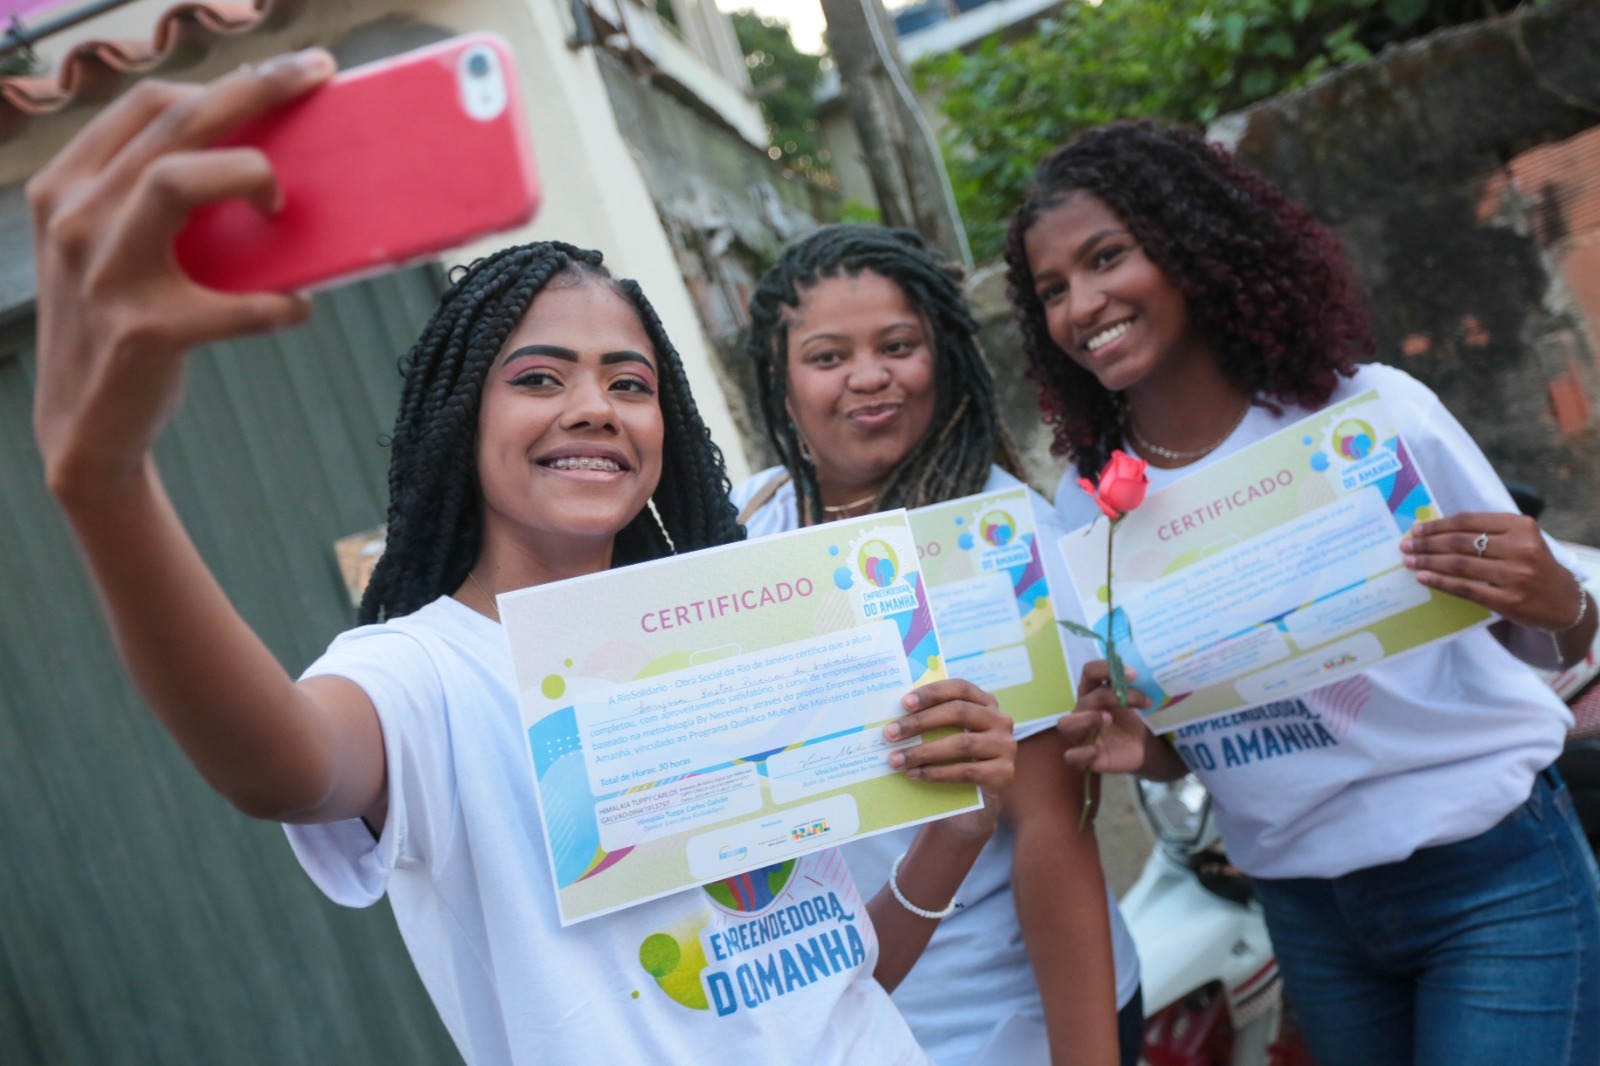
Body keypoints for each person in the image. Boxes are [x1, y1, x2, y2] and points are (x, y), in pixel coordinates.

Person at [29, 52, 1020, 1066]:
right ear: (460, 419)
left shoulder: (736, 638)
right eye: (539, 377)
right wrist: (106, 484)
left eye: (629, 383)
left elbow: (832, 988)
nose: (593, 405)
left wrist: (952, 832)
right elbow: (281, 763)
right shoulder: (419, 676)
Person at [1005, 121, 1600, 1066]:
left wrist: (1561, 600)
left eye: (1107, 257)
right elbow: (1188, 744)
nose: (1082, 304)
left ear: (1191, 243)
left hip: (1491, 879)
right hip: (1309, 913)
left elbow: (1560, 643)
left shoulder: (1370, 414)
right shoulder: (1084, 504)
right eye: (1051, 291)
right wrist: (1140, 747)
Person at [732, 225, 1141, 1066]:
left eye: (898, 345)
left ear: (943, 356)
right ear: (780, 381)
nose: (870, 375)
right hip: (842, 1026)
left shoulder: (997, 542)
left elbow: (1051, 833)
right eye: (828, 356)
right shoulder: (746, 526)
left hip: (1002, 1030)